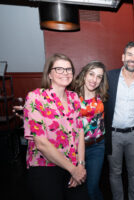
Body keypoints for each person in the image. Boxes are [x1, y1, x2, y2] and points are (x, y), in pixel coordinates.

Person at [23, 53, 90, 200]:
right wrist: (73, 170)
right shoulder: (35, 98)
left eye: (68, 69)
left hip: (74, 166)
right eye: (59, 69)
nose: (65, 73)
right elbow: (41, 144)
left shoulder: (74, 97)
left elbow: (80, 133)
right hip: (45, 168)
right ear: (49, 74)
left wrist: (80, 165)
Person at [104, 41, 134, 200]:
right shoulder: (109, 77)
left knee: (133, 172)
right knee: (115, 172)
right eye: (130, 54)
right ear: (123, 57)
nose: (133, 58)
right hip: (113, 134)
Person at [73, 61, 109, 200]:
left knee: (92, 188)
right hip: (75, 149)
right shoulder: (71, 96)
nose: (94, 80)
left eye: (99, 77)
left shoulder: (103, 97)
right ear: (84, 74)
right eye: (91, 74)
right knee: (77, 188)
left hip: (97, 147)